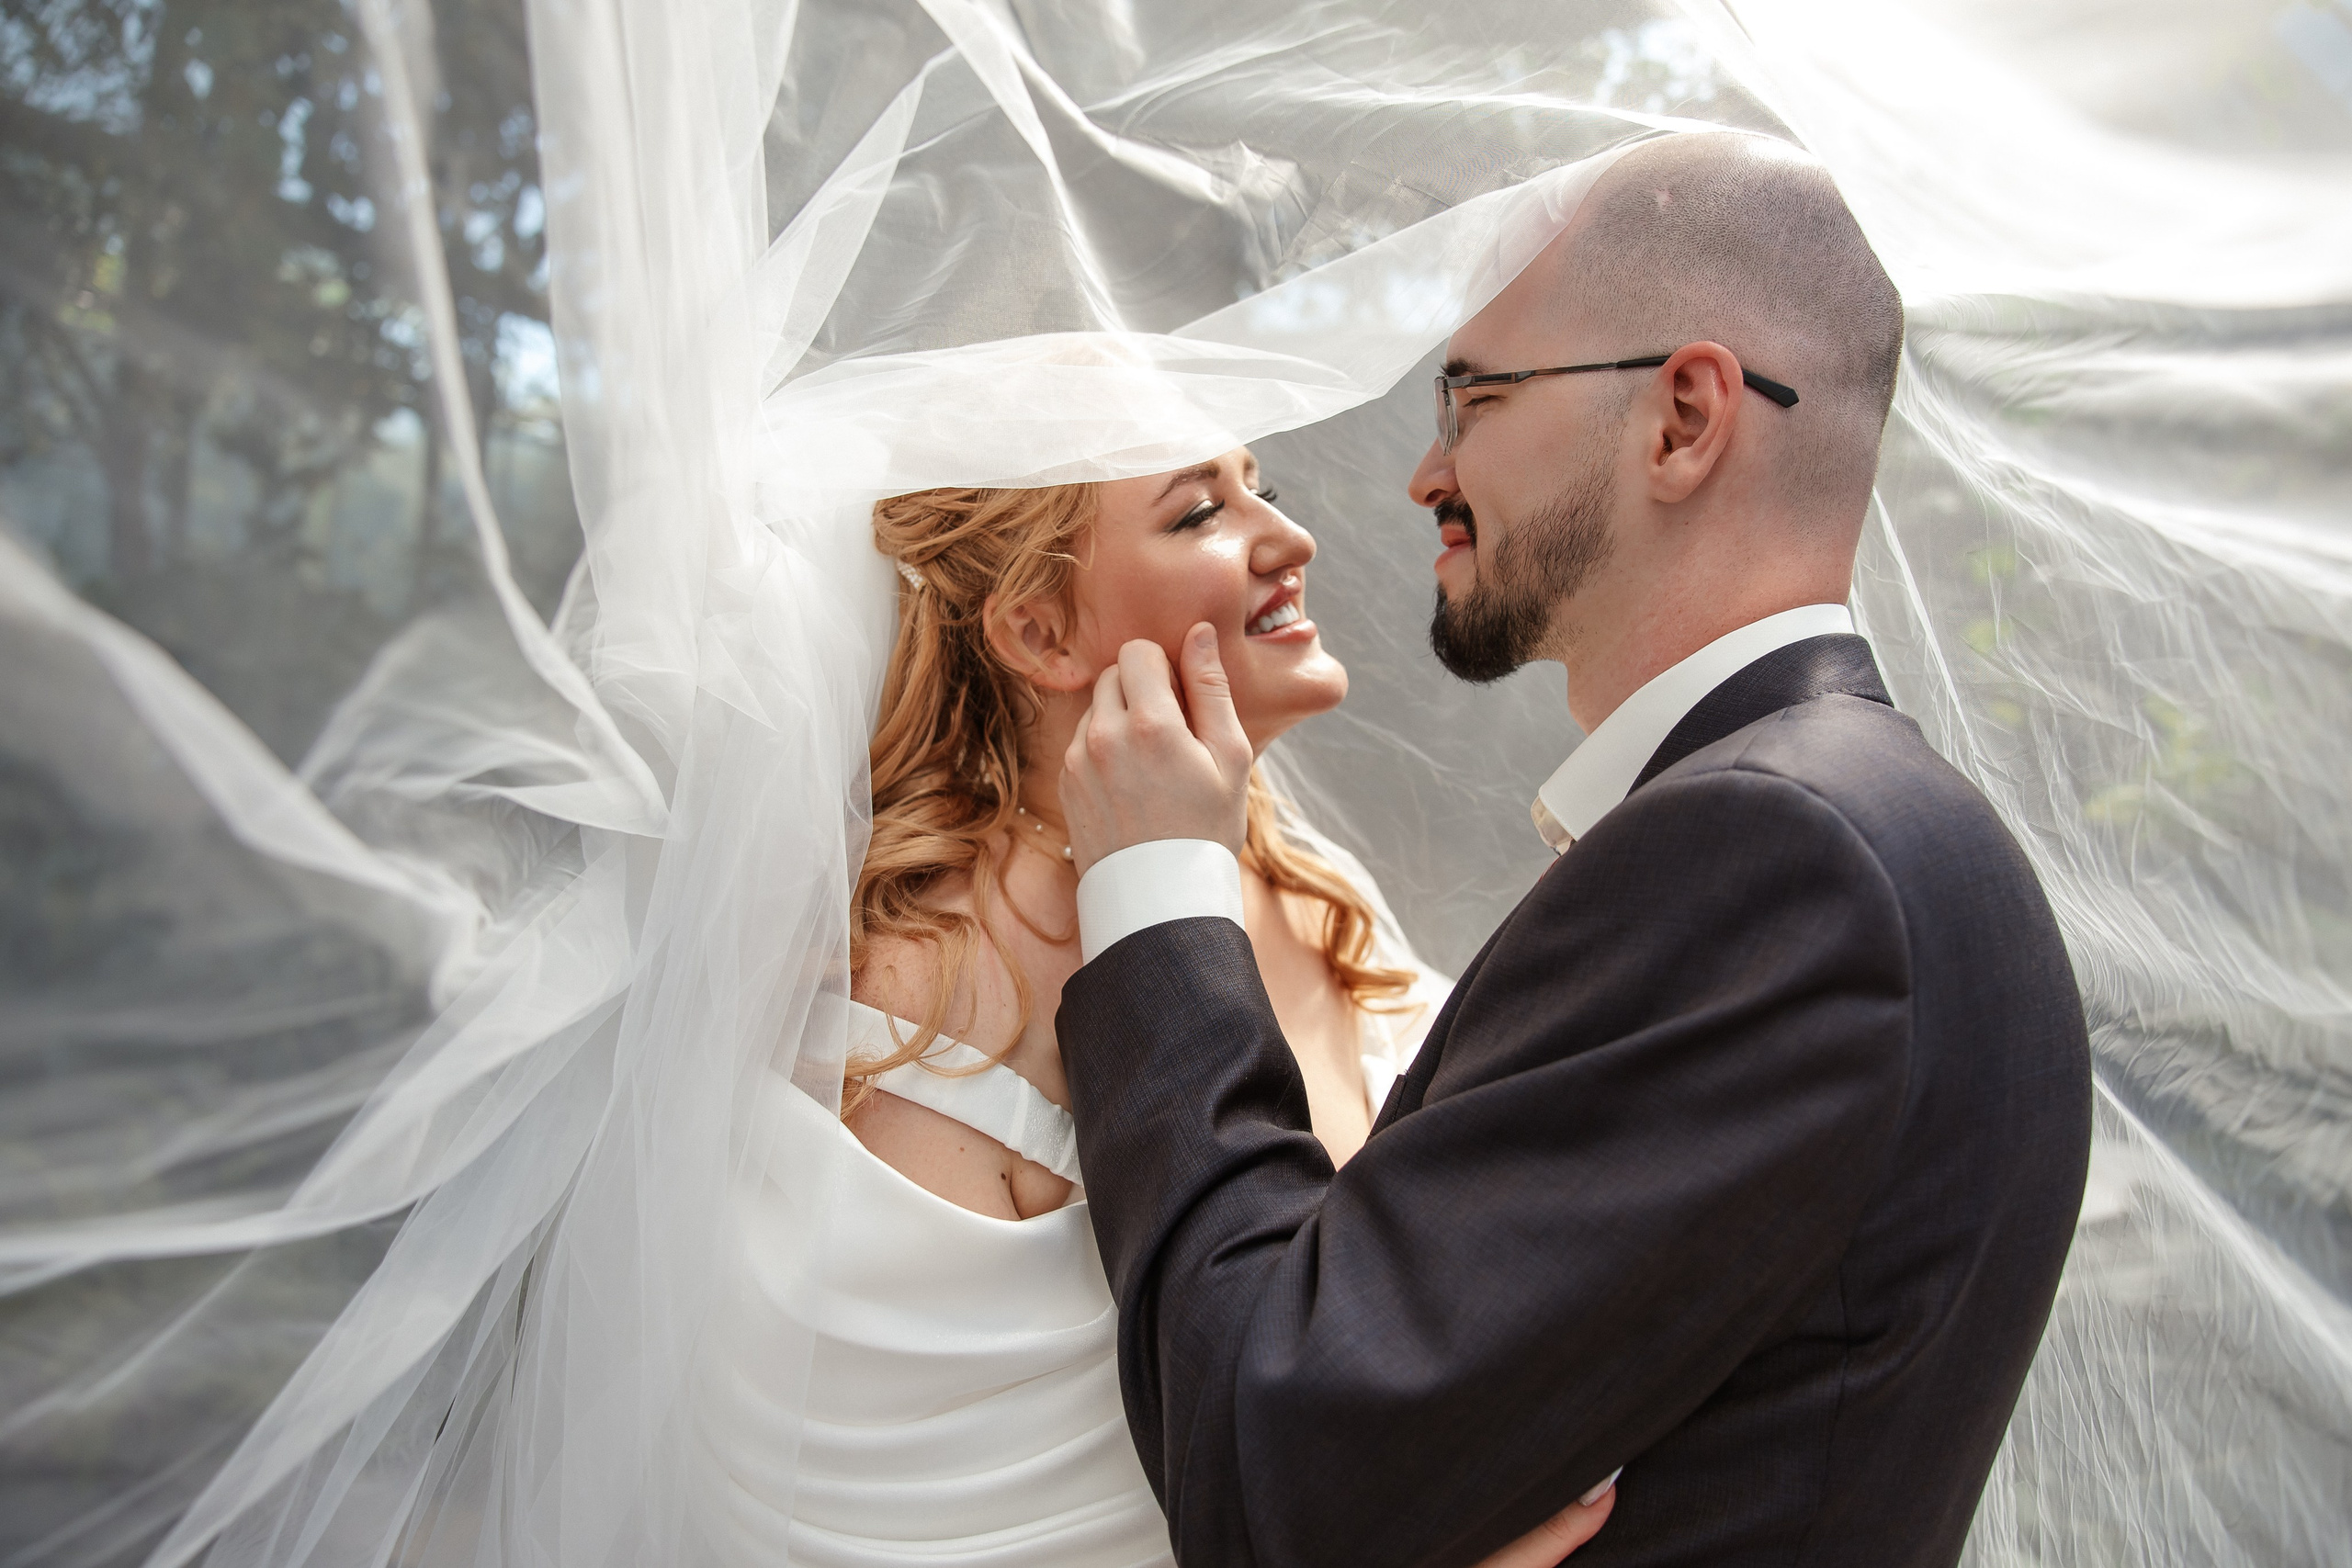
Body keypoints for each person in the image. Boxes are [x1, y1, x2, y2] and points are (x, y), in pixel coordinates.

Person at [1052, 132, 2095, 1566]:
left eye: (1471, 393)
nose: (1426, 471)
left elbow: (1269, 1464)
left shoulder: (1775, 860)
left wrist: (1161, 891)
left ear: (1681, 418)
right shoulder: (1898, 830)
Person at [688, 454, 1611, 1566]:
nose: (1290, 539)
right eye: (1201, 513)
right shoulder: (927, 1004)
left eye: (1271, 486)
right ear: (1039, 636)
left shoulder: (1296, 877)